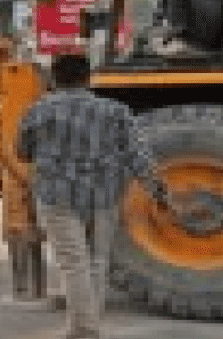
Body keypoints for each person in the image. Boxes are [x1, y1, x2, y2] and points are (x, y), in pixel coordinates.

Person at [16, 54, 164, 339]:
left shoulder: (37, 111)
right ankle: (88, 326)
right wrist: (157, 188)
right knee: (96, 261)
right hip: (103, 196)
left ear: (53, 79)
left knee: (73, 263)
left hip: (56, 197)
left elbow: (23, 151)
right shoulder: (116, 111)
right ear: (88, 78)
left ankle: (84, 330)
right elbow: (137, 155)